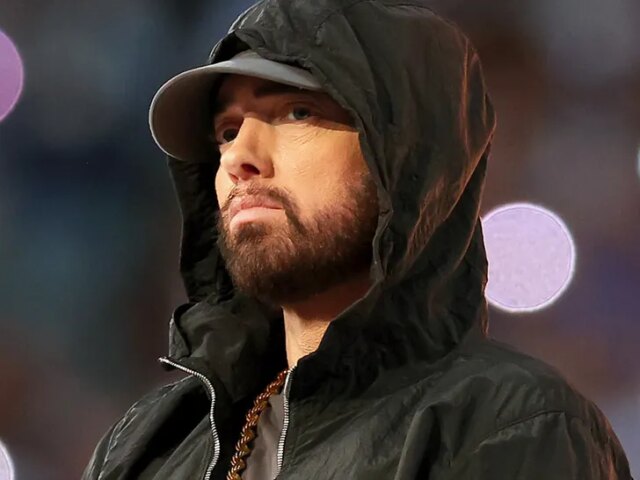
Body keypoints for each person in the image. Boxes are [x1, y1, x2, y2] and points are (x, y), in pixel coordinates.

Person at [83, 0, 633, 479]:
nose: (238, 158)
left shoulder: (511, 424)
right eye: (227, 132)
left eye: (297, 112)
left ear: (403, 156)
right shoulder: (144, 446)